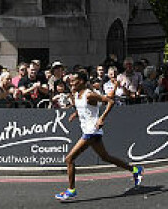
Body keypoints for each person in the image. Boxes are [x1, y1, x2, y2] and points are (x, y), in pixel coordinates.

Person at [55, 71, 143, 202]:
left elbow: (110, 102)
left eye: (74, 81)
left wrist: (102, 118)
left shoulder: (90, 94)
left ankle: (71, 190)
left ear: (83, 82)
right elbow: (86, 109)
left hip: (91, 132)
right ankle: (135, 169)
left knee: (69, 159)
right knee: (105, 157)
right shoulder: (77, 95)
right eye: (71, 81)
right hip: (90, 132)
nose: (71, 83)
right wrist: (76, 114)